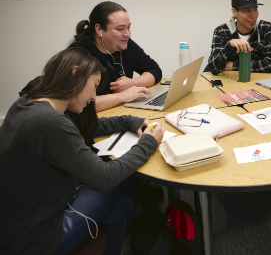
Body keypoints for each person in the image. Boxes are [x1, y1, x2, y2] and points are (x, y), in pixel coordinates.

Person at [0, 48, 165, 255]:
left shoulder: (30, 103)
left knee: (121, 205)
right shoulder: (50, 122)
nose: (94, 96)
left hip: (17, 224)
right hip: (36, 239)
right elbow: (104, 178)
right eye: (95, 86)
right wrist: (148, 143)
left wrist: (131, 121)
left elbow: (85, 127)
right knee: (119, 180)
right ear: (75, 74)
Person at [69, 1, 162, 112]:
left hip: (119, 112)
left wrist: (132, 83)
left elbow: (155, 70)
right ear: (99, 30)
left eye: (128, 27)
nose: (127, 34)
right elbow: (76, 103)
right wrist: (122, 96)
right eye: (120, 29)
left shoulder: (125, 44)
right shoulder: (78, 55)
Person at [204, 0, 271, 75]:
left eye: (255, 9)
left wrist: (234, 66)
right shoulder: (221, 31)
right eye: (246, 10)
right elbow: (213, 68)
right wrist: (229, 46)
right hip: (228, 83)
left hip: (253, 84)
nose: (253, 15)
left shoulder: (266, 28)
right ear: (234, 11)